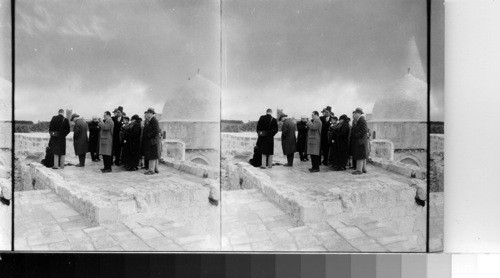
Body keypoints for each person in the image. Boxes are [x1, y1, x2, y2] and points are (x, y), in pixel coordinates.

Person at [142, 108, 160, 175]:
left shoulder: (153, 120)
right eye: (147, 113)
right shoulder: (151, 120)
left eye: (149, 113)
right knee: (154, 155)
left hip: (152, 140)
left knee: (152, 155)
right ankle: (156, 169)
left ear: (152, 114)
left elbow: (156, 130)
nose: (147, 114)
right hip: (152, 140)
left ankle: (151, 170)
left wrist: (149, 136)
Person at [350, 108, 368, 175]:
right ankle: (363, 169)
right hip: (361, 140)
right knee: (362, 155)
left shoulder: (361, 120)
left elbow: (364, 130)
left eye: (356, 113)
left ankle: (358, 170)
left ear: (359, 113)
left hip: (360, 140)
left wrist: (356, 135)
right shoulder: (360, 120)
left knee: (359, 155)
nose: (355, 114)